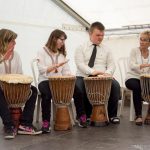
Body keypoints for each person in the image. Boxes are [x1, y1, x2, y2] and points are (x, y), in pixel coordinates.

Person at [74, 21, 120, 126]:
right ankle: (83, 115)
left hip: (103, 76)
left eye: (102, 35)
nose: (100, 38)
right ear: (90, 34)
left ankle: (112, 115)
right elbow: (80, 64)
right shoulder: (81, 47)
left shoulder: (107, 49)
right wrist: (93, 72)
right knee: (79, 88)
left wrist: (107, 74)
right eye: (98, 35)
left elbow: (112, 65)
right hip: (84, 75)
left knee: (116, 86)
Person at [0, 29, 42, 139]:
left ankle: (25, 124)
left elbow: (19, 74)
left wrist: (23, 84)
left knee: (33, 90)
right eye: (12, 41)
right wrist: (2, 59)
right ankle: (9, 126)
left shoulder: (16, 55)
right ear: (4, 41)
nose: (15, 43)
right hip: (1, 87)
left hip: (14, 88)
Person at [37, 29, 72, 133]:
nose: (63, 42)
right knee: (47, 94)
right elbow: (41, 70)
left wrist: (69, 77)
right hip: (45, 81)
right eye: (61, 39)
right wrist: (55, 66)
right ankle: (46, 122)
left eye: (64, 40)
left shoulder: (62, 54)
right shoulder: (42, 51)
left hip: (59, 82)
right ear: (54, 38)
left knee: (78, 90)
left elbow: (66, 71)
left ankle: (82, 117)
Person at [125, 30, 150, 126]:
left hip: (145, 79)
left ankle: (148, 114)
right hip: (132, 77)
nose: (141, 42)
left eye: (145, 40)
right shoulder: (134, 51)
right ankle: (138, 115)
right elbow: (132, 66)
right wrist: (144, 66)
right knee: (137, 86)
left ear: (149, 43)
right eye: (141, 39)